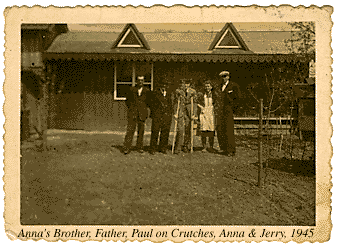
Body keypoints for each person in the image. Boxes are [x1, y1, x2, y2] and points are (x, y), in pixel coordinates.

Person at [214, 71, 241, 156]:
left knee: (229, 130)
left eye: (225, 76)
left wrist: (233, 109)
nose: (223, 78)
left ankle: (231, 150)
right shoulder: (220, 86)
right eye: (222, 77)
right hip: (221, 110)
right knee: (221, 129)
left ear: (228, 77)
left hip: (229, 110)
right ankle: (224, 148)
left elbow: (238, 98)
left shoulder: (234, 86)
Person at [123, 76, 150, 154]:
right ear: (136, 81)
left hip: (142, 114)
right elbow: (127, 101)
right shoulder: (131, 90)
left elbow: (148, 102)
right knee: (130, 131)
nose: (140, 82)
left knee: (141, 132)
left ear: (144, 81)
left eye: (142, 80)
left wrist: (143, 110)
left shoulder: (146, 91)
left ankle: (139, 147)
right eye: (139, 80)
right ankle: (127, 148)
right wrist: (132, 108)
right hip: (133, 113)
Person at [149, 80, 174, 154]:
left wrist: (169, 114)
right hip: (157, 115)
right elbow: (151, 104)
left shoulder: (169, 93)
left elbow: (170, 105)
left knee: (165, 132)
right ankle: (152, 148)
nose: (164, 86)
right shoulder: (155, 92)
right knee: (155, 131)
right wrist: (154, 113)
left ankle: (162, 147)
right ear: (160, 85)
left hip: (166, 116)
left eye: (165, 84)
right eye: (163, 84)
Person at [173, 79, 198, 153]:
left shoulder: (193, 91)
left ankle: (186, 146)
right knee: (180, 129)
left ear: (190, 84)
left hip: (188, 113)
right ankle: (178, 147)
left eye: (187, 84)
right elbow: (175, 102)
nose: (186, 85)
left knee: (188, 129)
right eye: (184, 84)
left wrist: (194, 113)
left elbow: (195, 103)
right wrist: (175, 112)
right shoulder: (178, 91)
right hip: (181, 111)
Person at [197, 80, 216, 152]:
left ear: (211, 87)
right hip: (204, 113)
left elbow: (217, 103)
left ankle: (211, 147)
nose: (207, 88)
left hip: (211, 113)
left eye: (208, 86)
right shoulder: (202, 94)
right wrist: (201, 107)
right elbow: (197, 102)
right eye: (206, 86)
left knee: (211, 130)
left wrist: (214, 109)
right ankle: (204, 147)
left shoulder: (214, 94)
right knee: (204, 130)